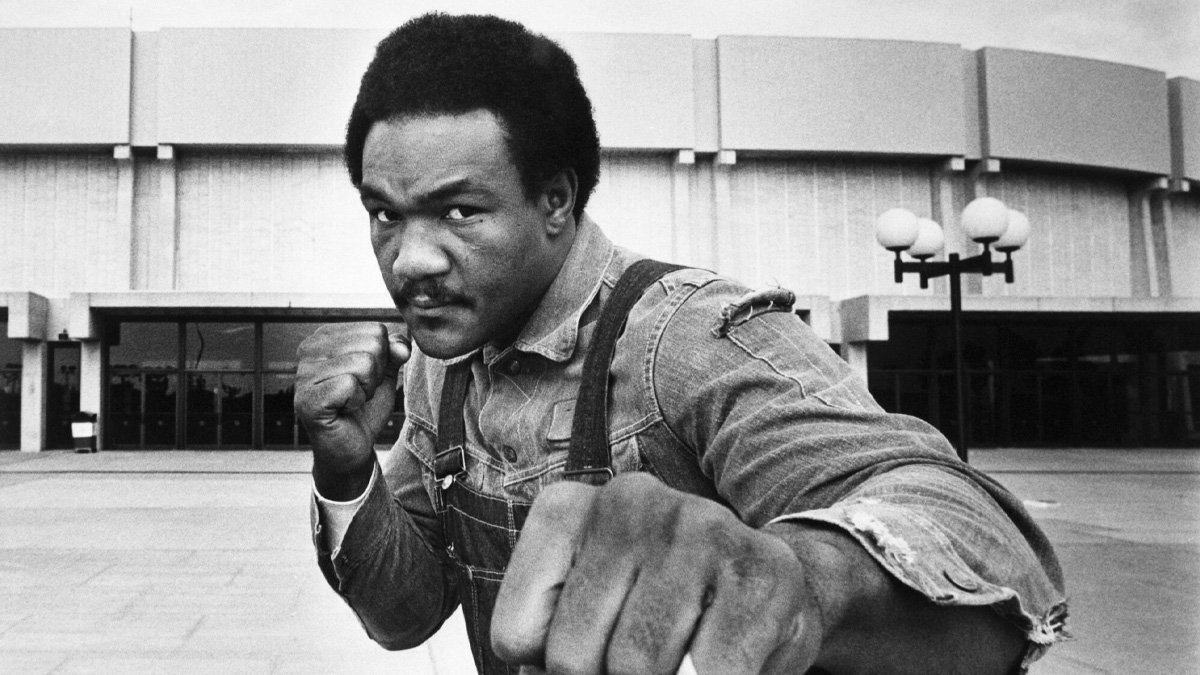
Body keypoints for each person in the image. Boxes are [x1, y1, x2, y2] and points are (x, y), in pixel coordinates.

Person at [295, 12, 1067, 675]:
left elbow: (986, 540)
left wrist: (799, 580)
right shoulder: (444, 364)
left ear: (555, 200)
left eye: (459, 211)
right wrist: (347, 469)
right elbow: (405, 613)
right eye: (385, 213)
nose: (410, 260)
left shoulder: (686, 333)